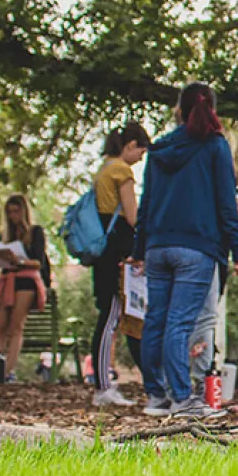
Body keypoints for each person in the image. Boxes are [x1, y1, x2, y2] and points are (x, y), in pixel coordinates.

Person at [133, 82, 238, 418]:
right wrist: (237, 250)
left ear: (179, 110)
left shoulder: (159, 150)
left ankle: (155, 395)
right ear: (212, 108)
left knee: (156, 319)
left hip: (157, 246)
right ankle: (183, 399)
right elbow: (226, 202)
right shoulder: (215, 146)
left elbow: (146, 203)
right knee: (180, 323)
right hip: (196, 247)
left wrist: (139, 247)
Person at [90, 121, 151, 407]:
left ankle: (103, 382)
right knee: (111, 316)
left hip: (104, 251)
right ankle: (102, 385)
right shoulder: (121, 170)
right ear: (130, 146)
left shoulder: (104, 167)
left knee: (108, 314)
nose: (140, 158)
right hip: (116, 253)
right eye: (140, 151)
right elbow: (132, 216)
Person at [0, 195, 50, 384]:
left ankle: (7, 372)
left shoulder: (35, 232)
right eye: (9, 212)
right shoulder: (4, 235)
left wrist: (20, 261)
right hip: (7, 279)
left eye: (16, 211)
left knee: (15, 326)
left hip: (26, 281)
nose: (13, 216)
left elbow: (39, 262)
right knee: (0, 327)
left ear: (24, 211)